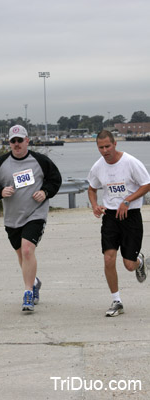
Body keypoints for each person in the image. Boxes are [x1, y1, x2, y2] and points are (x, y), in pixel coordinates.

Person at [0, 125, 62, 312]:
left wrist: (45, 192)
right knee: (22, 255)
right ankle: (34, 282)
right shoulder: (1, 163)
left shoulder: (40, 161)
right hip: (12, 217)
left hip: (35, 214)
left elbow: (55, 180)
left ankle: (28, 292)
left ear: (27, 140)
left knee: (27, 251)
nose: (17, 144)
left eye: (20, 140)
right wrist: (0, 191)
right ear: (9, 143)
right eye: (13, 141)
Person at [88, 130, 150, 317]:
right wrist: (95, 205)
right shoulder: (98, 167)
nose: (105, 150)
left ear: (115, 144)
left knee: (128, 265)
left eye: (108, 146)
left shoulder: (130, 162)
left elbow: (146, 184)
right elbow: (91, 188)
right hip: (110, 217)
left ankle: (140, 262)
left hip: (130, 216)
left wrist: (127, 200)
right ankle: (117, 301)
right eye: (101, 147)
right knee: (108, 258)